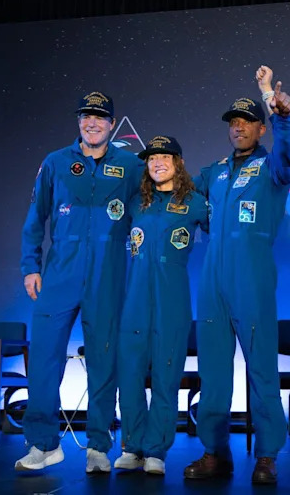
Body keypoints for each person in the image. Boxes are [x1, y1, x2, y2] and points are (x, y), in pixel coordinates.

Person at [16, 91, 143, 473]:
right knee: (43, 357)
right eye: (86, 116)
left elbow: (145, 219)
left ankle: (98, 446)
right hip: (61, 272)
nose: (92, 123)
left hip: (109, 271)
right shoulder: (56, 162)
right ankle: (43, 444)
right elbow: (35, 219)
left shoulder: (131, 165)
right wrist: (30, 266)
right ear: (78, 122)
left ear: (112, 124)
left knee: (103, 360)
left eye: (100, 117)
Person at [183, 68, 290, 484]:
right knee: (213, 370)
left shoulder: (274, 166)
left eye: (247, 121)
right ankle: (215, 452)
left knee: (261, 368)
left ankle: (266, 455)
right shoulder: (213, 172)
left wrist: (278, 109)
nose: (238, 127)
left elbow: (288, 146)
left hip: (252, 277)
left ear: (260, 128)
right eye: (233, 122)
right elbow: (180, 195)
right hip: (213, 279)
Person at [112, 136, 208, 476]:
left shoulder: (195, 203)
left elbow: (222, 237)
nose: (158, 163)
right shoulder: (136, 202)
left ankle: (156, 450)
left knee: (166, 375)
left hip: (172, 298)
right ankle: (132, 446)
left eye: (165, 157)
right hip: (136, 299)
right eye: (152, 158)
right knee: (130, 374)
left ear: (178, 163)